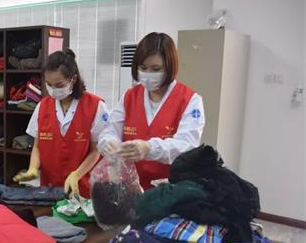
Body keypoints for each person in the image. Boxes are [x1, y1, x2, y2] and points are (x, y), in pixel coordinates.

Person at [98, 32, 205, 190]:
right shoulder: (129, 97)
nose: (148, 74)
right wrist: (108, 143)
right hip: (130, 188)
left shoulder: (189, 100)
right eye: (143, 68)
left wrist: (149, 148)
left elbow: (186, 145)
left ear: (169, 67)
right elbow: (111, 130)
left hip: (169, 190)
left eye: (156, 69)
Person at [13, 49, 109, 198]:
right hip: (51, 189)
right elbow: (38, 146)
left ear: (73, 79)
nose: (53, 90)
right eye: (49, 84)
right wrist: (33, 168)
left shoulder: (95, 106)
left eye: (59, 85)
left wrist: (77, 174)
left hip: (84, 188)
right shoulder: (43, 106)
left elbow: (96, 151)